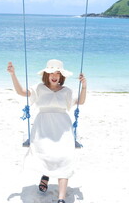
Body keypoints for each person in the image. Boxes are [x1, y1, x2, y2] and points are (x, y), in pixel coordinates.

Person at [7, 59, 87, 203]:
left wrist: (85, 86)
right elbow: (21, 92)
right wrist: (13, 74)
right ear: (46, 74)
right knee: (46, 154)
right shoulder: (38, 88)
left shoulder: (67, 91)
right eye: (51, 72)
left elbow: (80, 102)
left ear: (61, 76)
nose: (54, 75)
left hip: (63, 128)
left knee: (65, 158)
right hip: (43, 127)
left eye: (57, 73)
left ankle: (61, 198)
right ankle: (46, 175)